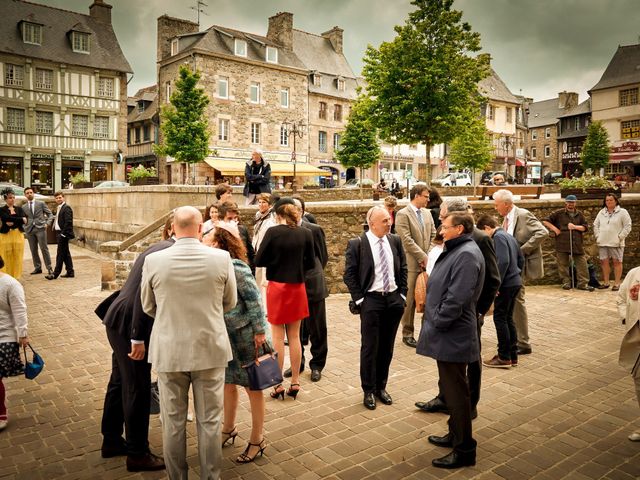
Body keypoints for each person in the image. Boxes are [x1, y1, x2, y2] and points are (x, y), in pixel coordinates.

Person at [140, 206, 237, 480]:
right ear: (199, 229)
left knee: (172, 422)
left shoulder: (154, 261)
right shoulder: (221, 259)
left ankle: (177, 477)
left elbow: (148, 305)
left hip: (170, 349)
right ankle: (210, 476)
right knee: (209, 421)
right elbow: (230, 302)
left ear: (172, 228)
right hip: (209, 346)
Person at [415, 197, 500, 419]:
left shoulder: (478, 239)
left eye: (443, 218)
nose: (440, 224)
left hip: (464, 314)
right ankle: (445, 398)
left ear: (457, 220)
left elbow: (492, 279)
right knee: (447, 361)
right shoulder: (448, 236)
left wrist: (477, 311)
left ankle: (467, 406)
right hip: (445, 310)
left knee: (470, 363)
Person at [99, 234, 173, 472]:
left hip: (117, 318)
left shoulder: (159, 246)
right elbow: (144, 297)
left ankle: (111, 440)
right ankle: (137, 453)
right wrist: (136, 337)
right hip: (130, 323)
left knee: (119, 381)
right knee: (137, 388)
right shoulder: (168, 255)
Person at [416, 212, 485, 469]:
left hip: (453, 333)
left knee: (457, 394)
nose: (441, 231)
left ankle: (465, 449)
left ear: (459, 229)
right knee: (453, 389)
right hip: (450, 332)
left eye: (445, 227)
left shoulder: (466, 254)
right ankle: (455, 435)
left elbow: (457, 298)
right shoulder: (460, 249)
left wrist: (437, 321)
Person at [212, 222, 269, 463]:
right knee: (227, 382)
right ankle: (228, 428)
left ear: (219, 242)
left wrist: (259, 332)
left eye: (210, 237)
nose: (205, 240)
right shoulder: (215, 264)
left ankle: (257, 439)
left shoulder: (236, 266)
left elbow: (254, 299)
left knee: (253, 386)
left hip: (246, 337)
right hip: (226, 335)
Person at [343, 206, 407, 410]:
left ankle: (381, 387)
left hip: (394, 301)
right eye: (385, 221)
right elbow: (349, 274)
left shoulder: (395, 240)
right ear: (372, 224)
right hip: (372, 301)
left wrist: (403, 294)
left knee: (387, 347)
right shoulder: (358, 244)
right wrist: (360, 300)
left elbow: (403, 267)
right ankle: (368, 390)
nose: (389, 223)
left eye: (389, 220)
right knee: (370, 347)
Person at [255, 198, 315, 400]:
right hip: (298, 287)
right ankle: (296, 381)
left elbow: (259, 259)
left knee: (278, 338)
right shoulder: (306, 233)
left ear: (278, 216)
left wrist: (276, 260)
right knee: (296, 337)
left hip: (278, 288)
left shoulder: (273, 232)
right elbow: (310, 262)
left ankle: (278, 383)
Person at [493, 189, 547, 355]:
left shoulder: (523, 215)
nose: (495, 208)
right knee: (513, 302)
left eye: (497, 204)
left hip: (520, 264)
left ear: (507, 204)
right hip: (511, 266)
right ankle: (515, 339)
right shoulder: (505, 219)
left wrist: (522, 250)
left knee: (517, 300)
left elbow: (543, 232)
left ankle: (523, 342)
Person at [283, 198, 329, 382]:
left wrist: (312, 275)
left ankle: (317, 364)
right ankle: (298, 362)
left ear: (302, 211)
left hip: (313, 285)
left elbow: (322, 256)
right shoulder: (284, 231)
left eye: (297, 209)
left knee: (318, 327)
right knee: (295, 329)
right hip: (293, 286)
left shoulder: (314, 230)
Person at [476, 214, 524, 368]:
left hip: (506, 284)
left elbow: (503, 261)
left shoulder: (498, 238)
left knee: (500, 318)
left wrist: (496, 284)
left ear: (487, 228)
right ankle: (513, 355)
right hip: (515, 281)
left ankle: (504, 356)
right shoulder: (508, 236)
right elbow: (520, 259)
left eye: (483, 233)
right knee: (508, 318)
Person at [395, 184, 435, 348]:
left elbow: (434, 234)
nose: (428, 199)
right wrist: (422, 256)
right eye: (426, 196)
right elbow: (406, 239)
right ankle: (408, 333)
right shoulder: (403, 214)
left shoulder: (427, 213)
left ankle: (426, 333)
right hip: (411, 263)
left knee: (428, 297)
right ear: (417, 195)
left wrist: (430, 254)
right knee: (410, 299)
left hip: (428, 262)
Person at [0, 255, 29, 431]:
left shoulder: (10, 284)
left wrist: (23, 334)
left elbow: (19, 309)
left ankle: (1, 413)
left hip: (4, 338)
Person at [542, 195, 594, 292]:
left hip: (577, 243)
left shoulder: (580, 214)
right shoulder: (558, 213)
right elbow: (545, 221)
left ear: (575, 203)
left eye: (572, 202)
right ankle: (566, 282)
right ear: (565, 203)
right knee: (563, 264)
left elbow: (585, 228)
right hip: (562, 242)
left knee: (582, 263)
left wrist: (575, 227)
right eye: (569, 202)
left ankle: (583, 283)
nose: (571, 204)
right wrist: (555, 229)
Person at [616, 266, 640, 442]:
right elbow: (622, 298)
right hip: (637, 335)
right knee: (639, 381)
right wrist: (627, 318)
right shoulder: (635, 273)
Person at [593, 194, 632, 291]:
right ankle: (606, 282)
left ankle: (617, 283)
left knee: (617, 262)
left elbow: (628, 226)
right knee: (604, 262)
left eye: (611, 200)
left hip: (616, 243)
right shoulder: (601, 212)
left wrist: (620, 237)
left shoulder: (623, 212)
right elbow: (595, 225)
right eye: (607, 200)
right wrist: (598, 236)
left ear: (616, 201)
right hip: (602, 242)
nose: (609, 202)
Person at [22, 187, 53, 276]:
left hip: (40, 229)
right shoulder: (24, 207)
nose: (29, 194)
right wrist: (24, 227)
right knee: (33, 250)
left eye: (31, 192)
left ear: (33, 193)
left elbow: (50, 214)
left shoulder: (41, 203)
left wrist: (47, 223)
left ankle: (49, 268)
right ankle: (37, 267)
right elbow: (22, 219)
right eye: (27, 193)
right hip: (30, 230)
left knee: (44, 248)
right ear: (25, 195)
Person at [253, 193, 276, 311]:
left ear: (270, 205)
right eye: (259, 202)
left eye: (264, 202)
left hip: (267, 253)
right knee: (258, 279)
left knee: (265, 281)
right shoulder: (259, 217)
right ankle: (261, 306)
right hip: (257, 252)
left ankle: (266, 308)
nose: (261, 205)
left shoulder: (271, 219)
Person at [218, 202, 255, 273]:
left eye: (235, 217)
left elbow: (251, 253)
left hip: (243, 271)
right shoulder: (216, 235)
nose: (234, 221)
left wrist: (252, 272)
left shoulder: (242, 230)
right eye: (229, 218)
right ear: (221, 219)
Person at [46, 192, 75, 280]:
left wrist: (63, 234)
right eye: (57, 198)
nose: (59, 199)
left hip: (63, 234)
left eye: (60, 197)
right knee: (65, 253)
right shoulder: (59, 207)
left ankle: (55, 274)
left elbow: (68, 222)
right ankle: (70, 272)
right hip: (59, 233)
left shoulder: (66, 208)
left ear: (63, 198)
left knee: (60, 254)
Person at [0, 188, 27, 279]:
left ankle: (16, 276)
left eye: (13, 197)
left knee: (17, 256)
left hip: (18, 234)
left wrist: (13, 221)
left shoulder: (19, 209)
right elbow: (5, 218)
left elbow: (25, 220)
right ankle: (6, 276)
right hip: (5, 235)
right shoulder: (1, 209)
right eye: (10, 198)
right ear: (5, 199)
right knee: (5, 255)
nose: (12, 199)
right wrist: (20, 220)